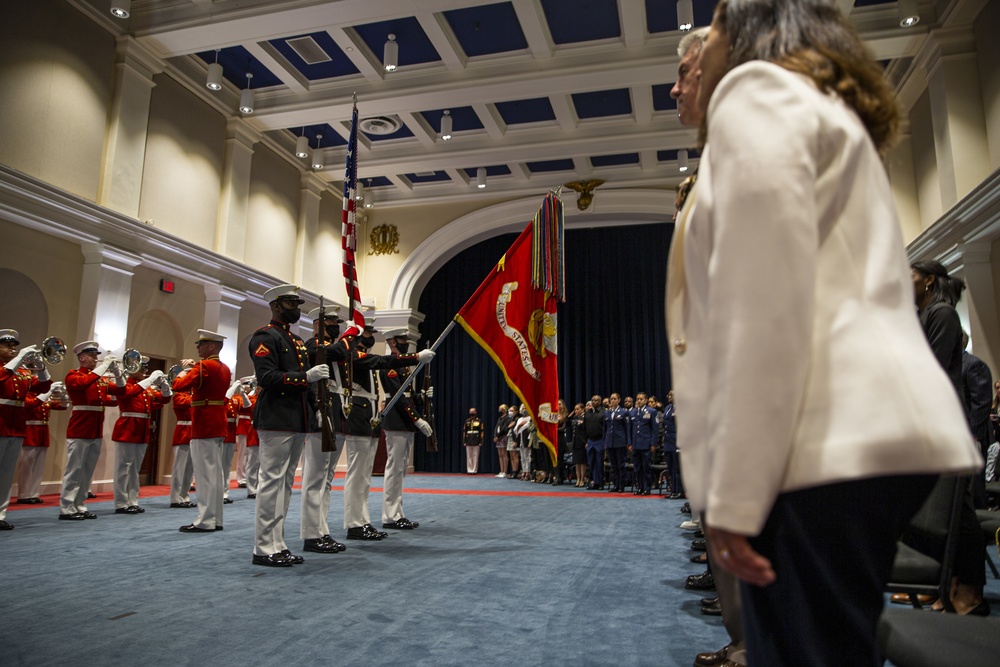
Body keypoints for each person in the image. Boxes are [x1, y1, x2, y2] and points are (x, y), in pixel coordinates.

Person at [668, 1, 984, 663]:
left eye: (714, 31)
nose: (681, 79)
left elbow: (766, 302)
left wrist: (734, 493)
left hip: (818, 441)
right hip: (860, 437)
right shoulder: (814, 106)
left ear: (747, 38)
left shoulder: (757, 96)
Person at [909, 260, 989, 616]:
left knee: (959, 509)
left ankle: (970, 586)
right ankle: (943, 582)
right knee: (935, 510)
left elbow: (930, 371)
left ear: (928, 281)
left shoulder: (942, 314)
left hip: (945, 421)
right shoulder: (922, 315)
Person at [249, 285, 331, 566]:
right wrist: (304, 377)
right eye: (290, 304)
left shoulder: (295, 341)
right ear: (275, 305)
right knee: (271, 482)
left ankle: (278, 543)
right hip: (275, 417)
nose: (295, 309)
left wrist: (317, 408)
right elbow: (267, 377)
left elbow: (308, 384)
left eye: (297, 304)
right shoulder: (265, 336)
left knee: (284, 484)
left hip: (296, 419)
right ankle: (263, 547)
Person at [338, 315, 434, 540]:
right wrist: (416, 418)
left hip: (371, 417)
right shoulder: (358, 357)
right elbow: (396, 392)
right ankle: (370, 519)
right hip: (386, 419)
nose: (371, 337)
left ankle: (370, 519)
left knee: (374, 474)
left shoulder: (377, 360)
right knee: (370, 472)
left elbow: (405, 393)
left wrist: (421, 397)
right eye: (368, 333)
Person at [299, 305, 348, 554]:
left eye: (335, 322)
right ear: (317, 325)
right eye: (328, 322)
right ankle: (310, 533)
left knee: (326, 479)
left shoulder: (330, 349)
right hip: (321, 414)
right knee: (315, 478)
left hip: (335, 414)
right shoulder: (312, 346)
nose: (334, 326)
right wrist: (317, 408)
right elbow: (312, 382)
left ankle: (322, 528)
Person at [59, 341, 126, 520]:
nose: (96, 358)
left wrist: (118, 373)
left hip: (95, 429)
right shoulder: (73, 376)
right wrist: (104, 366)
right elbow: (83, 383)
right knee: (74, 470)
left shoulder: (99, 380)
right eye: (92, 355)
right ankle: (67, 506)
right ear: (82, 357)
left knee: (87, 471)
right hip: (79, 429)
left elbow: (122, 390)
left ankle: (79, 504)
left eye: (97, 355)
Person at [172, 329, 231, 533]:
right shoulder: (224, 368)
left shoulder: (203, 365)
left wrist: (184, 370)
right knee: (215, 473)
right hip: (217, 421)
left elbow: (179, 385)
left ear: (211, 346)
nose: (197, 347)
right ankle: (216, 518)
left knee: (204, 474)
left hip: (204, 422)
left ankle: (205, 520)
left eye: (201, 344)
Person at [379, 327, 434, 529]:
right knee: (394, 469)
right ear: (392, 342)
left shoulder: (403, 365)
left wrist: (421, 397)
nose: (405, 342)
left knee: (400, 469)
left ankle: (397, 512)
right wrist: (417, 419)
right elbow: (398, 397)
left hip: (403, 420)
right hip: (396, 419)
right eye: (401, 339)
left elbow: (408, 396)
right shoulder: (390, 365)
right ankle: (390, 515)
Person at [0, 330, 53, 529]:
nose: (12, 349)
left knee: (6, 474)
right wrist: (21, 357)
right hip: (1, 425)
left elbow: (43, 386)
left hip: (16, 428)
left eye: (15, 346)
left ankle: (0, 514)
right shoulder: (7, 370)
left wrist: (41, 366)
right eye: (8, 345)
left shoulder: (21, 373)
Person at [110, 356, 172, 514]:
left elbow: (164, 400)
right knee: (123, 467)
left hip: (142, 429)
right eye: (141, 368)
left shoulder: (146, 389)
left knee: (134, 468)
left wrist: (164, 385)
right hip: (127, 428)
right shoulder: (125, 384)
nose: (144, 371)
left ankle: (132, 500)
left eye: (145, 368)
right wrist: (150, 380)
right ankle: (121, 502)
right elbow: (129, 393)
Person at [16, 382, 68, 504]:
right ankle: (23, 494)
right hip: (30, 431)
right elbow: (31, 404)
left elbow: (62, 406)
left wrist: (62, 394)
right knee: (26, 466)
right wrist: (49, 392)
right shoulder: (27, 395)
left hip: (42, 432)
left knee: (38, 466)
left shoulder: (42, 396)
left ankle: (34, 493)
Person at [168, 386, 196, 508]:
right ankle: (175, 498)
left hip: (193, 432)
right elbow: (186, 403)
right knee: (179, 469)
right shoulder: (179, 395)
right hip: (183, 431)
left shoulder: (192, 394)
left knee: (189, 469)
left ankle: (184, 496)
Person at [628, 392, 655, 495]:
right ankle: (639, 487)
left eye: (641, 399)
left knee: (646, 467)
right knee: (637, 467)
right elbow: (630, 429)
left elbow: (654, 429)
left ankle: (647, 488)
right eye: (637, 399)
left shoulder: (651, 411)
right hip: (635, 444)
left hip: (646, 444)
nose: (639, 401)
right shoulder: (633, 412)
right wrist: (629, 443)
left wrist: (653, 444)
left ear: (646, 400)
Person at [603, 393, 628, 493]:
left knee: (620, 465)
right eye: (611, 399)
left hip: (620, 442)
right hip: (610, 442)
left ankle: (621, 485)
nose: (612, 401)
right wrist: (605, 442)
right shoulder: (607, 413)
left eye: (614, 399)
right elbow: (605, 429)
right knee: (613, 466)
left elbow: (627, 428)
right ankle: (615, 484)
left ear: (619, 400)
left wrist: (628, 442)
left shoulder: (623, 412)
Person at [583, 395, 604, 489]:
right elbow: (584, 428)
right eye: (593, 400)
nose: (594, 402)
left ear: (600, 402)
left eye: (596, 400)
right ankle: (595, 482)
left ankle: (601, 482)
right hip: (590, 440)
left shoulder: (603, 412)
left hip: (600, 439)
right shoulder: (587, 412)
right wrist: (586, 440)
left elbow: (605, 428)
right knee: (592, 462)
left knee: (599, 462)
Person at [569, 403, 587, 487]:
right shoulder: (575, 418)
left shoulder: (585, 417)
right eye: (575, 409)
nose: (576, 411)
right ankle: (578, 479)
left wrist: (586, 441)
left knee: (582, 462)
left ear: (582, 409)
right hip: (575, 442)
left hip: (582, 442)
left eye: (578, 409)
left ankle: (582, 479)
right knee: (577, 462)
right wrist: (572, 413)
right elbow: (567, 420)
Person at [462, 408, 484, 474]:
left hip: (476, 440)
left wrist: (481, 441)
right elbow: (464, 432)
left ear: (476, 412)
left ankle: (474, 470)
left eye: (473, 411)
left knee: (475, 455)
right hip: (468, 440)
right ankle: (469, 470)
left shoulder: (479, 421)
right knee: (469, 456)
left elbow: (482, 432)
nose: (472, 412)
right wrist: (464, 441)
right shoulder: (467, 421)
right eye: (471, 411)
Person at [493, 403, 510, 478]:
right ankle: (501, 470)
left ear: (504, 409)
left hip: (503, 437)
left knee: (504, 454)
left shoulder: (507, 417)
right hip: (498, 437)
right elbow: (496, 427)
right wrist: (495, 436)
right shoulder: (500, 418)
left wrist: (498, 436)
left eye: (501, 409)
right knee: (500, 455)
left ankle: (505, 471)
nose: (499, 410)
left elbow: (504, 428)